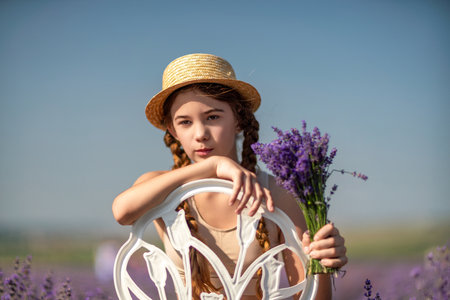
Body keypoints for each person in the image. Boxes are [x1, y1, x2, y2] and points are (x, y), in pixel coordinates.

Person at [112, 53, 347, 300]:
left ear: (238, 119)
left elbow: (307, 294)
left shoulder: (275, 192)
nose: (200, 134)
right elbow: (122, 212)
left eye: (212, 117)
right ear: (172, 130)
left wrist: (322, 265)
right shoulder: (161, 187)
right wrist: (213, 166)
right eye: (185, 122)